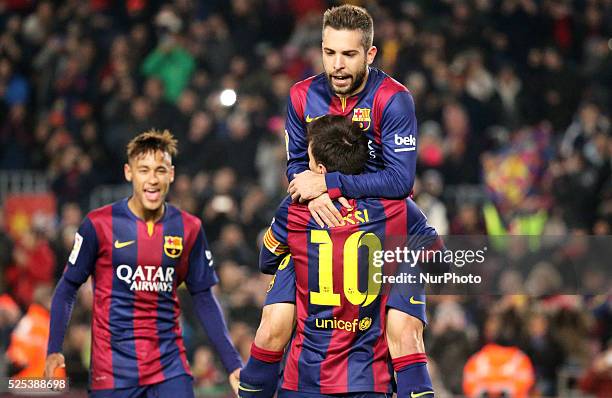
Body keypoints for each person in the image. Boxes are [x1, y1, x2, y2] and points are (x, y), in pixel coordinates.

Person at [240, 116, 442, 397]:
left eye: (307, 162)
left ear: (320, 170)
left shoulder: (296, 208)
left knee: (288, 264)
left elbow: (267, 260)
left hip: (304, 382)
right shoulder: (397, 208)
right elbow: (438, 260)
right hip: (369, 382)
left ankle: (251, 387)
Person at [44, 130, 242, 397]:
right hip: (112, 372)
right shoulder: (98, 225)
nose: (152, 179)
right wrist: (54, 348)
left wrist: (232, 363)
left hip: (169, 367)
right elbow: (67, 288)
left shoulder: (189, 227)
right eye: (144, 170)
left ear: (171, 175)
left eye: (160, 170)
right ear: (129, 173)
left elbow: (204, 297)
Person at [285, 4, 418, 228]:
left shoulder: (393, 99)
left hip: (383, 218)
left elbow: (400, 181)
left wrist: (327, 184)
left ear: (370, 55)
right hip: (322, 212)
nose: (337, 65)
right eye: (330, 53)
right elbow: (296, 163)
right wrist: (316, 195)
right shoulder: (301, 95)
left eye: (349, 54)